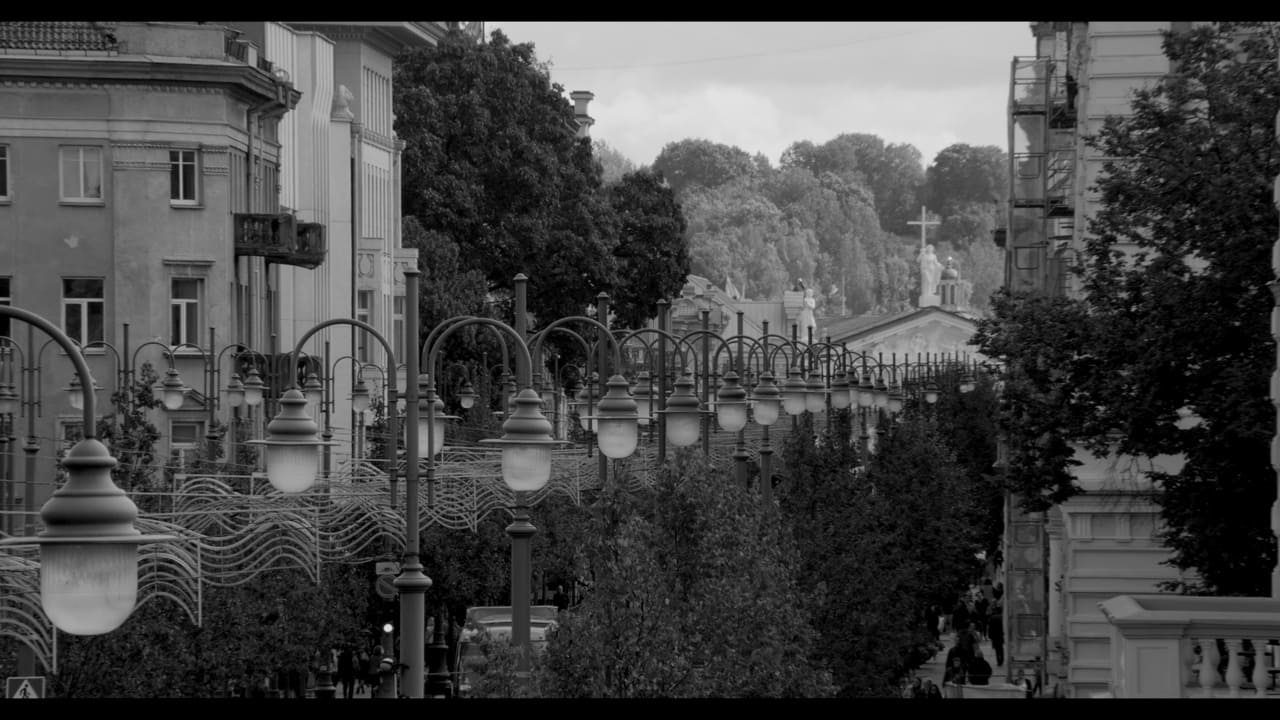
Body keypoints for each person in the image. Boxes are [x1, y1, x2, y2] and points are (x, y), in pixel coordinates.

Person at [988, 596, 1005, 667]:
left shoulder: (992, 618)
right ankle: (1002, 659)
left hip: (994, 636)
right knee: (1001, 648)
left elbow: (990, 628)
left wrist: (990, 635)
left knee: (997, 649)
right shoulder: (1002, 617)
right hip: (1000, 635)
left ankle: (998, 661)